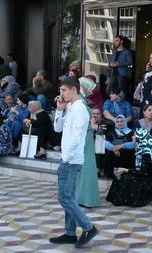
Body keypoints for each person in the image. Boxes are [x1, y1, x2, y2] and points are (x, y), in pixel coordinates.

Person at [49, 78, 98, 248]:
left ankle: (88, 227)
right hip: (69, 158)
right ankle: (70, 234)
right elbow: (57, 128)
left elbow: (77, 138)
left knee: (64, 197)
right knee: (68, 196)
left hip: (71, 160)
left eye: (63, 90)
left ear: (74, 90)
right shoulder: (70, 107)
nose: (61, 93)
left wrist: (66, 158)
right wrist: (59, 110)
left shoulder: (80, 110)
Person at [106, 128, 152, 207]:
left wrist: (125, 170)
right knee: (119, 175)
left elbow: (143, 171)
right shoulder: (140, 148)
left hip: (150, 180)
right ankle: (116, 198)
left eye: (134, 135)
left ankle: (128, 199)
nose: (132, 137)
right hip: (144, 175)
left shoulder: (146, 153)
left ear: (139, 138)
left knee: (128, 177)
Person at [74, 77, 101, 208]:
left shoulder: (81, 101)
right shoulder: (81, 102)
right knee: (86, 165)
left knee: (86, 165)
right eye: (90, 88)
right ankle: (85, 197)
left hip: (87, 134)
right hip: (85, 135)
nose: (92, 90)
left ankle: (83, 196)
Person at [108, 35, 133, 100]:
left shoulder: (127, 51)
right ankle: (114, 102)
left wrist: (118, 64)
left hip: (122, 75)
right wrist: (110, 64)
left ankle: (121, 105)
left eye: (117, 41)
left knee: (122, 91)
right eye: (114, 41)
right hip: (113, 74)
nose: (115, 42)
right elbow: (110, 62)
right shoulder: (114, 51)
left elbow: (130, 62)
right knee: (108, 89)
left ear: (121, 41)